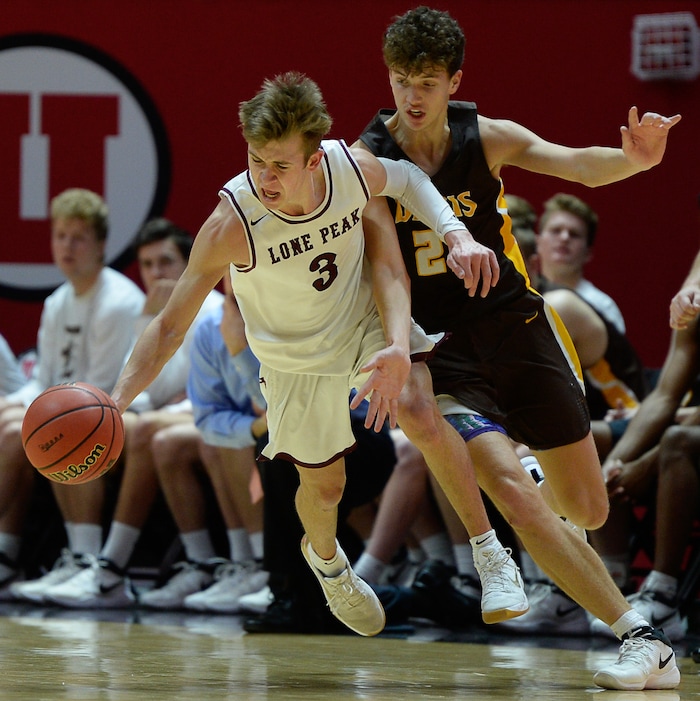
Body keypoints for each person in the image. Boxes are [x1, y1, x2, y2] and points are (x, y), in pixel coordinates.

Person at [109, 71, 529, 638]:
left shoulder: (348, 168)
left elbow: (406, 180)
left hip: (360, 321)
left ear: (314, 160)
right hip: (292, 360)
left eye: (280, 165)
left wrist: (454, 233)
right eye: (256, 160)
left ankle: (490, 556)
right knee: (323, 486)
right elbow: (167, 327)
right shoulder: (231, 223)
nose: (265, 176)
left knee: (420, 410)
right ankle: (331, 566)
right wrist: (115, 402)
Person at [357, 6, 680, 689]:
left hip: (520, 328)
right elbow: (383, 267)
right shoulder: (369, 161)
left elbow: (577, 167)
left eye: (427, 80)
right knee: (513, 494)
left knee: (587, 509)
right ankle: (642, 637)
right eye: (400, 79)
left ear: (454, 81)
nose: (412, 95)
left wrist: (634, 159)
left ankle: (540, 494)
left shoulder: (487, 136)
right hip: (444, 354)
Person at [23, 218, 224, 607]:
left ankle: (110, 565)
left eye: (165, 262)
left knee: (115, 427)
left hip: (215, 417)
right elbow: (158, 390)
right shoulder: (154, 314)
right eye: (147, 265)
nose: (155, 273)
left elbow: (203, 394)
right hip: (172, 415)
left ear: (189, 265)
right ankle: (92, 562)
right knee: (69, 429)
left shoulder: (211, 310)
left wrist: (135, 407)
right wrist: (148, 321)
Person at [0, 188, 145, 597]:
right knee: (12, 421)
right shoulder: (57, 301)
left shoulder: (117, 301)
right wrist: (10, 403)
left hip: (122, 411)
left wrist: (25, 410)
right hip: (78, 408)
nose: (67, 245)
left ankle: (85, 558)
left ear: (100, 245)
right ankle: (7, 553)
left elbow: (96, 391)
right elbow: (41, 380)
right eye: (60, 235)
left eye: (78, 237)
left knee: (46, 428)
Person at [586, 277, 700, 642]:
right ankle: (611, 587)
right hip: (687, 417)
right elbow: (665, 395)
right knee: (592, 441)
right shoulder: (693, 299)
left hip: (687, 433)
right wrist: (614, 467)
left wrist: (646, 463)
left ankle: (664, 593)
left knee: (677, 442)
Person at [536, 192, 626, 333]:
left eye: (574, 234)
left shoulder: (601, 306)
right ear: (538, 242)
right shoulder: (522, 297)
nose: (564, 238)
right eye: (556, 230)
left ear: (588, 253)